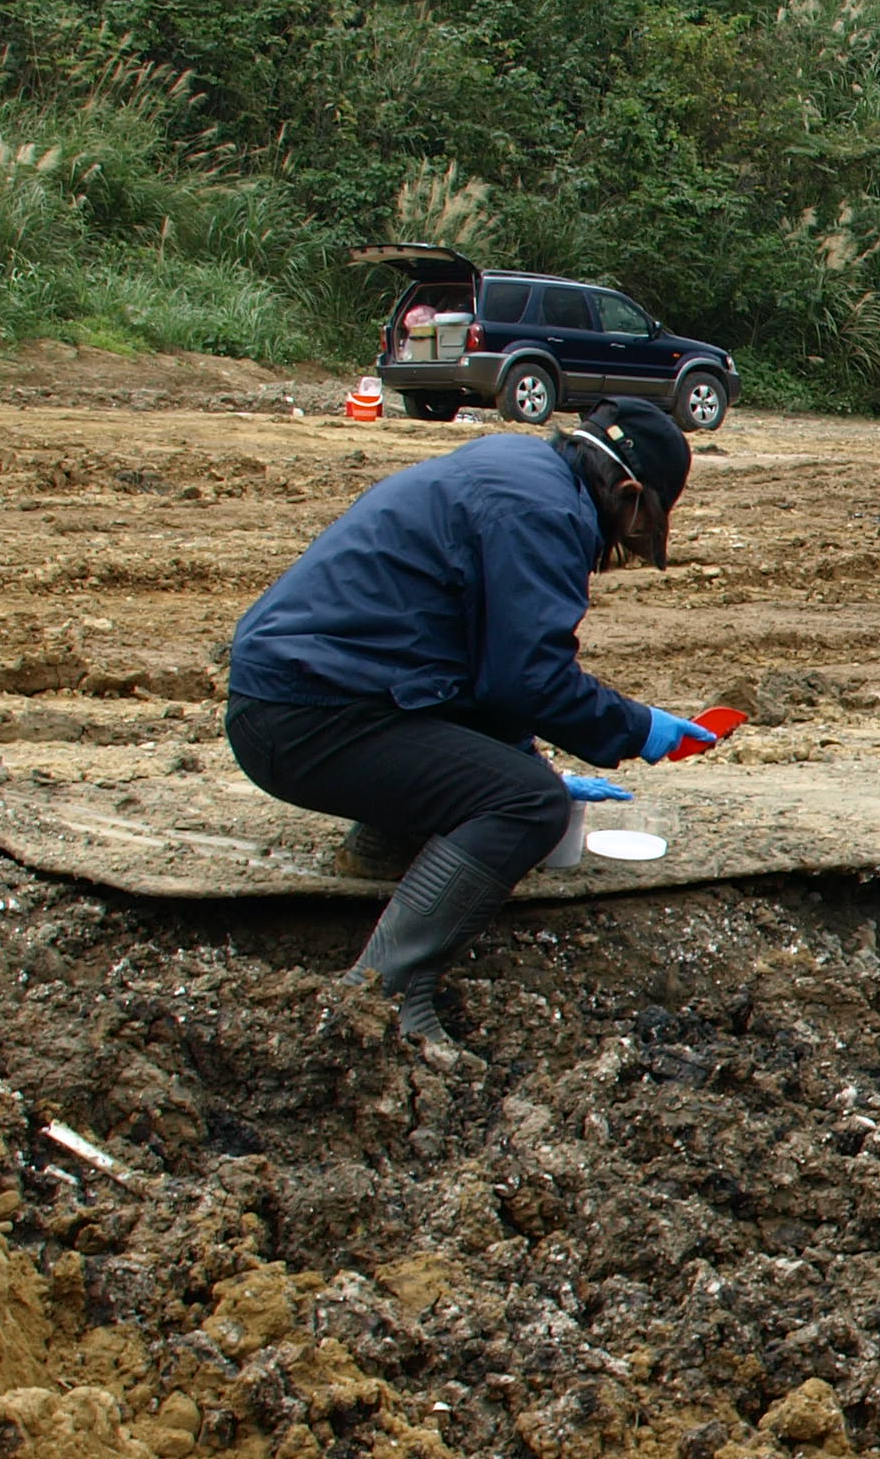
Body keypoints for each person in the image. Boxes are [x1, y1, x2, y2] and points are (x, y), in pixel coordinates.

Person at [224, 399, 723, 1055]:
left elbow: (479, 667)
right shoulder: (545, 514)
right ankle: (384, 997)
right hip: (304, 716)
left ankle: (380, 849)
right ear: (629, 496)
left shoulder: (521, 468)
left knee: (514, 775)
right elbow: (527, 678)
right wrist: (634, 729)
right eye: (638, 529)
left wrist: (522, 751)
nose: (620, 550)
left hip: (298, 694)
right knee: (527, 805)